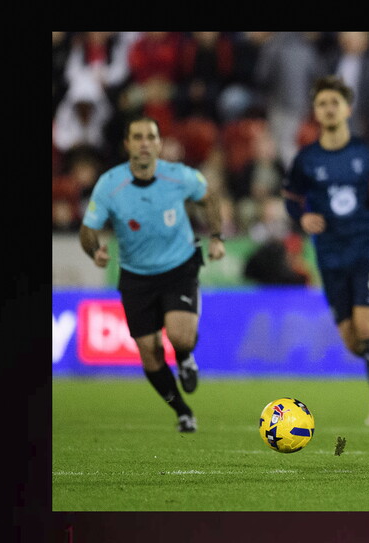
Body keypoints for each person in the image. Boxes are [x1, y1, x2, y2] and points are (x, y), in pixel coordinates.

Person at [79, 116, 226, 433]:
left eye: (151, 136)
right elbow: (88, 230)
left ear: (159, 143)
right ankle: (183, 411)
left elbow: (209, 197)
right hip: (136, 275)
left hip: (179, 266)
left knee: (179, 336)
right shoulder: (110, 184)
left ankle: (185, 356)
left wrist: (216, 237)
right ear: (127, 144)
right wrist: (95, 251)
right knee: (150, 353)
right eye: (138, 137)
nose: (145, 142)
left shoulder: (178, 176)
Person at [282, 76, 369, 425]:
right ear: (316, 112)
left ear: (347, 108)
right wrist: (303, 218)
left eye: (335, 102)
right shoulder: (306, 158)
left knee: (365, 325)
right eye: (322, 103)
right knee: (352, 342)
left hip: (365, 248)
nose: (329, 108)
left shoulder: (367, 152)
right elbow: (290, 200)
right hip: (330, 255)